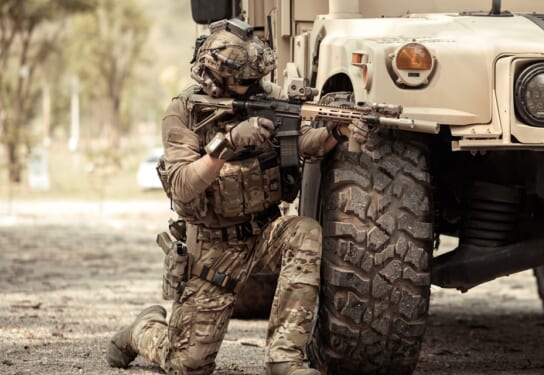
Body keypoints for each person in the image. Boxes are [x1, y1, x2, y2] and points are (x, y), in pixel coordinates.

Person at [105, 18, 367, 375]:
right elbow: (182, 183)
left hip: (264, 234)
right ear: (214, 77)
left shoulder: (267, 97)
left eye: (256, 78)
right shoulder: (182, 112)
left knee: (304, 232)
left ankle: (284, 357)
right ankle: (143, 329)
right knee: (188, 365)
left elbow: (305, 142)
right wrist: (225, 145)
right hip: (213, 250)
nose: (254, 86)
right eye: (244, 81)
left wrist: (335, 130)